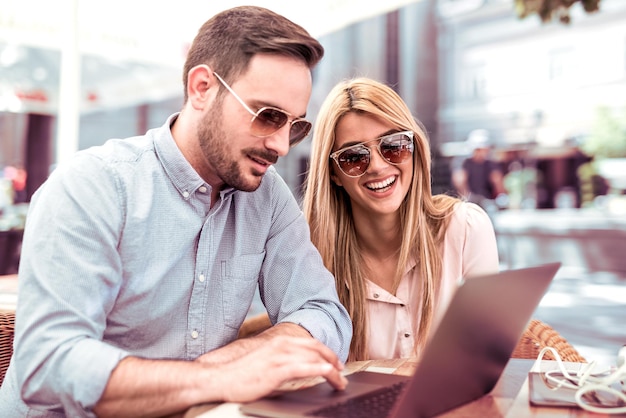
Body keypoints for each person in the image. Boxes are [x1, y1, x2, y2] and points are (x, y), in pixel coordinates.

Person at [0, 6, 352, 417]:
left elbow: (325, 311)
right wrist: (218, 379)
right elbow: (48, 365)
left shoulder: (266, 195)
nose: (281, 146)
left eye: (295, 126)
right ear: (202, 87)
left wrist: (243, 358)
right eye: (267, 116)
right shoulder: (92, 186)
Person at [301, 78, 499, 361]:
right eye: (354, 156)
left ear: (414, 148)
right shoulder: (313, 255)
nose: (379, 166)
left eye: (394, 145)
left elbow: (486, 356)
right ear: (334, 173)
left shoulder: (466, 229)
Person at [451, 129, 507, 209]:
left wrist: (501, 195)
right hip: (469, 199)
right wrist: (466, 198)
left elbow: (497, 179)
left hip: (485, 199)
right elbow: (460, 181)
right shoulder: (463, 162)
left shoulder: (489, 162)